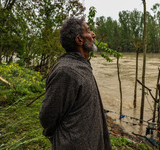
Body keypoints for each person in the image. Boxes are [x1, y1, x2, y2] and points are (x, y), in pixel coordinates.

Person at [39, 17, 112, 150]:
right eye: (89, 31)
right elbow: (47, 117)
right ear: (79, 40)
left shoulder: (81, 66)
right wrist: (62, 138)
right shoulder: (65, 71)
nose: (93, 35)